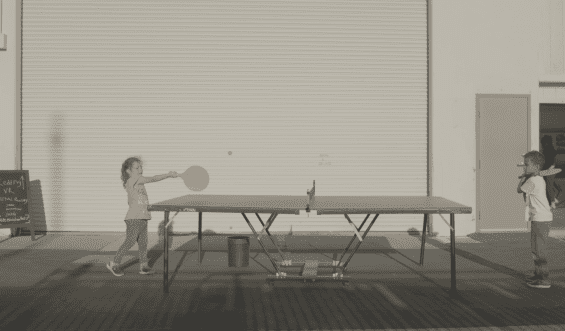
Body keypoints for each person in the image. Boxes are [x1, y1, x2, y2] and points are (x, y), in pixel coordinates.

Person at [107, 157, 178, 276]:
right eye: (137, 167)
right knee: (130, 241)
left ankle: (143, 266)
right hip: (134, 218)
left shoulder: (139, 184)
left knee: (143, 243)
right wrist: (168, 175)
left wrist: (147, 207)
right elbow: (153, 178)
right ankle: (114, 263)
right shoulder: (132, 180)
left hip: (143, 217)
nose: (140, 169)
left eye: (141, 167)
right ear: (128, 171)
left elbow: (138, 200)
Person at [517, 151, 552, 289]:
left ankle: (544, 279)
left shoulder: (533, 180)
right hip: (539, 218)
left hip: (541, 219)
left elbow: (519, 190)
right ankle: (538, 275)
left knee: (539, 250)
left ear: (536, 167)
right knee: (536, 249)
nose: (524, 167)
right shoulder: (536, 179)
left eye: (526, 165)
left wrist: (522, 178)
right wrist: (526, 176)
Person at [541, 135, 561, 208]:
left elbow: (550, 161)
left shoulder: (548, 149)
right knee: (550, 185)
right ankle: (553, 200)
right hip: (550, 168)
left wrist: (548, 169)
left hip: (549, 169)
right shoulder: (550, 148)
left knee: (549, 186)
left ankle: (552, 202)